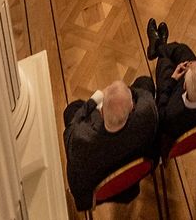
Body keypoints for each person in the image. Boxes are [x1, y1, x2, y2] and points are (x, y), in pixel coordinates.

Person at [62, 76, 157, 211]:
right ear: (132, 108)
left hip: (99, 189)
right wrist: (124, 94)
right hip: (131, 179)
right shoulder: (147, 115)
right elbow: (145, 94)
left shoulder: (81, 140)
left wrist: (96, 98)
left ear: (100, 112)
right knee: (144, 81)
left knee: (72, 109)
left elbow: (70, 130)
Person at [144, 19, 196, 143]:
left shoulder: (171, 113)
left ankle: (158, 47)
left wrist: (173, 80)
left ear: (184, 85)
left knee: (164, 62)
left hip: (174, 99)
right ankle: (160, 46)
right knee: (182, 50)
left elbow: (161, 107)